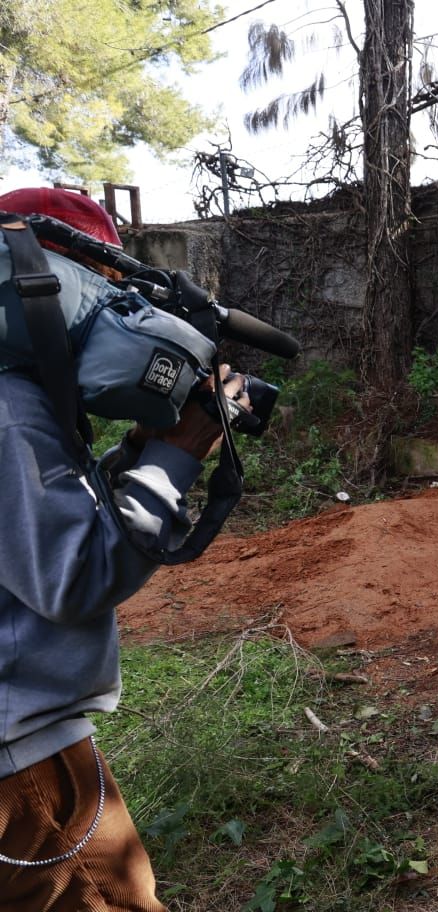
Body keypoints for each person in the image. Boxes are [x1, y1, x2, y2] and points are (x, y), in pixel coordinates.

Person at [0, 188, 245, 911]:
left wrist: (139, 450)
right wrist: (179, 454)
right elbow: (74, 575)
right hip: (27, 771)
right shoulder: (12, 409)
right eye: (110, 294)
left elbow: (37, 525)